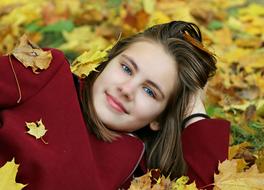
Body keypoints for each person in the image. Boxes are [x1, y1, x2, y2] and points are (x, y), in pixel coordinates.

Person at [0, 21, 230, 190]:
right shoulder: (50, 73)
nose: (127, 90)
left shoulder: (139, 173)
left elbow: (205, 185)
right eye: (127, 68)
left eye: (150, 91)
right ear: (108, 61)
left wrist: (194, 112)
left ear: (158, 118)